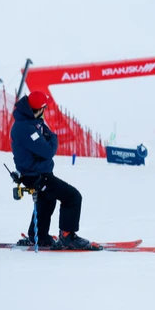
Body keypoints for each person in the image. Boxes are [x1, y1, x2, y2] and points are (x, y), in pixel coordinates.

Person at [11, 91, 97, 250]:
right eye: (44, 107)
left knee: (47, 199)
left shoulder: (32, 121)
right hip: (36, 175)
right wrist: (53, 138)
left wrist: (48, 137)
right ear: (40, 108)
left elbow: (46, 139)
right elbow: (48, 151)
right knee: (72, 196)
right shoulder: (26, 128)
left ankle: (39, 236)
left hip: (38, 173)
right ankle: (67, 237)